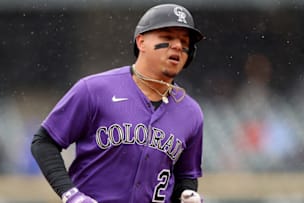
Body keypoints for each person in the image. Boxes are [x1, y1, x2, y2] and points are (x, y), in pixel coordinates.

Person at [31, 3, 205, 203]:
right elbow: (43, 142)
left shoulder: (191, 113)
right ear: (141, 42)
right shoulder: (95, 89)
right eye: (167, 37)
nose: (177, 46)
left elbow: (185, 176)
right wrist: (70, 194)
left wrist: (186, 194)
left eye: (184, 41)